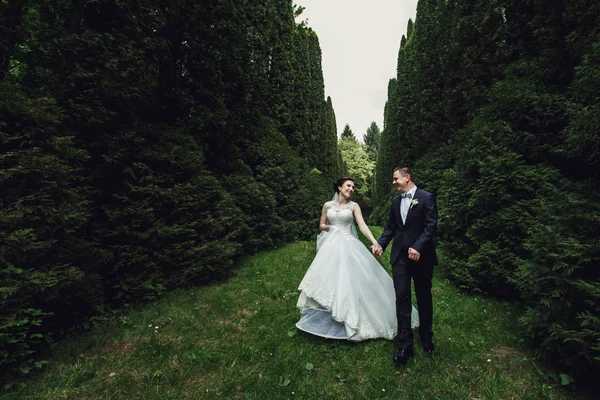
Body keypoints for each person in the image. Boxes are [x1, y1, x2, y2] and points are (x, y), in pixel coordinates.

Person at [296, 177, 418, 341]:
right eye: (348, 186)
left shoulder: (354, 206)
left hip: (348, 244)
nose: (351, 189)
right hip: (331, 247)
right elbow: (322, 225)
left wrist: (375, 242)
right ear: (340, 187)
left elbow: (362, 225)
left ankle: (350, 315)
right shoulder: (327, 205)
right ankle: (330, 313)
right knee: (329, 278)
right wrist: (331, 228)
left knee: (351, 279)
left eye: (353, 187)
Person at [373, 166, 438, 366]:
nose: (393, 182)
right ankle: (405, 345)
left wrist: (417, 246)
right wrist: (380, 245)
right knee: (402, 298)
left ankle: (426, 337)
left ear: (407, 177)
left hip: (422, 257)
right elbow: (391, 227)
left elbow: (431, 225)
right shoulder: (395, 202)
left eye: (395, 178)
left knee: (423, 296)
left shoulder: (426, 197)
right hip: (400, 257)